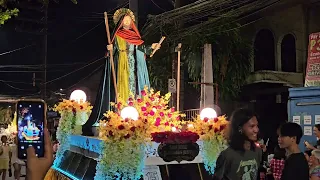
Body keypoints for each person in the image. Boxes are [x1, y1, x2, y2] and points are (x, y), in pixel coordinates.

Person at [213, 108, 262, 180]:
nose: (256, 130)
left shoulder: (257, 151)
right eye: (252, 126)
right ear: (240, 128)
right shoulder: (228, 155)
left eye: (257, 126)